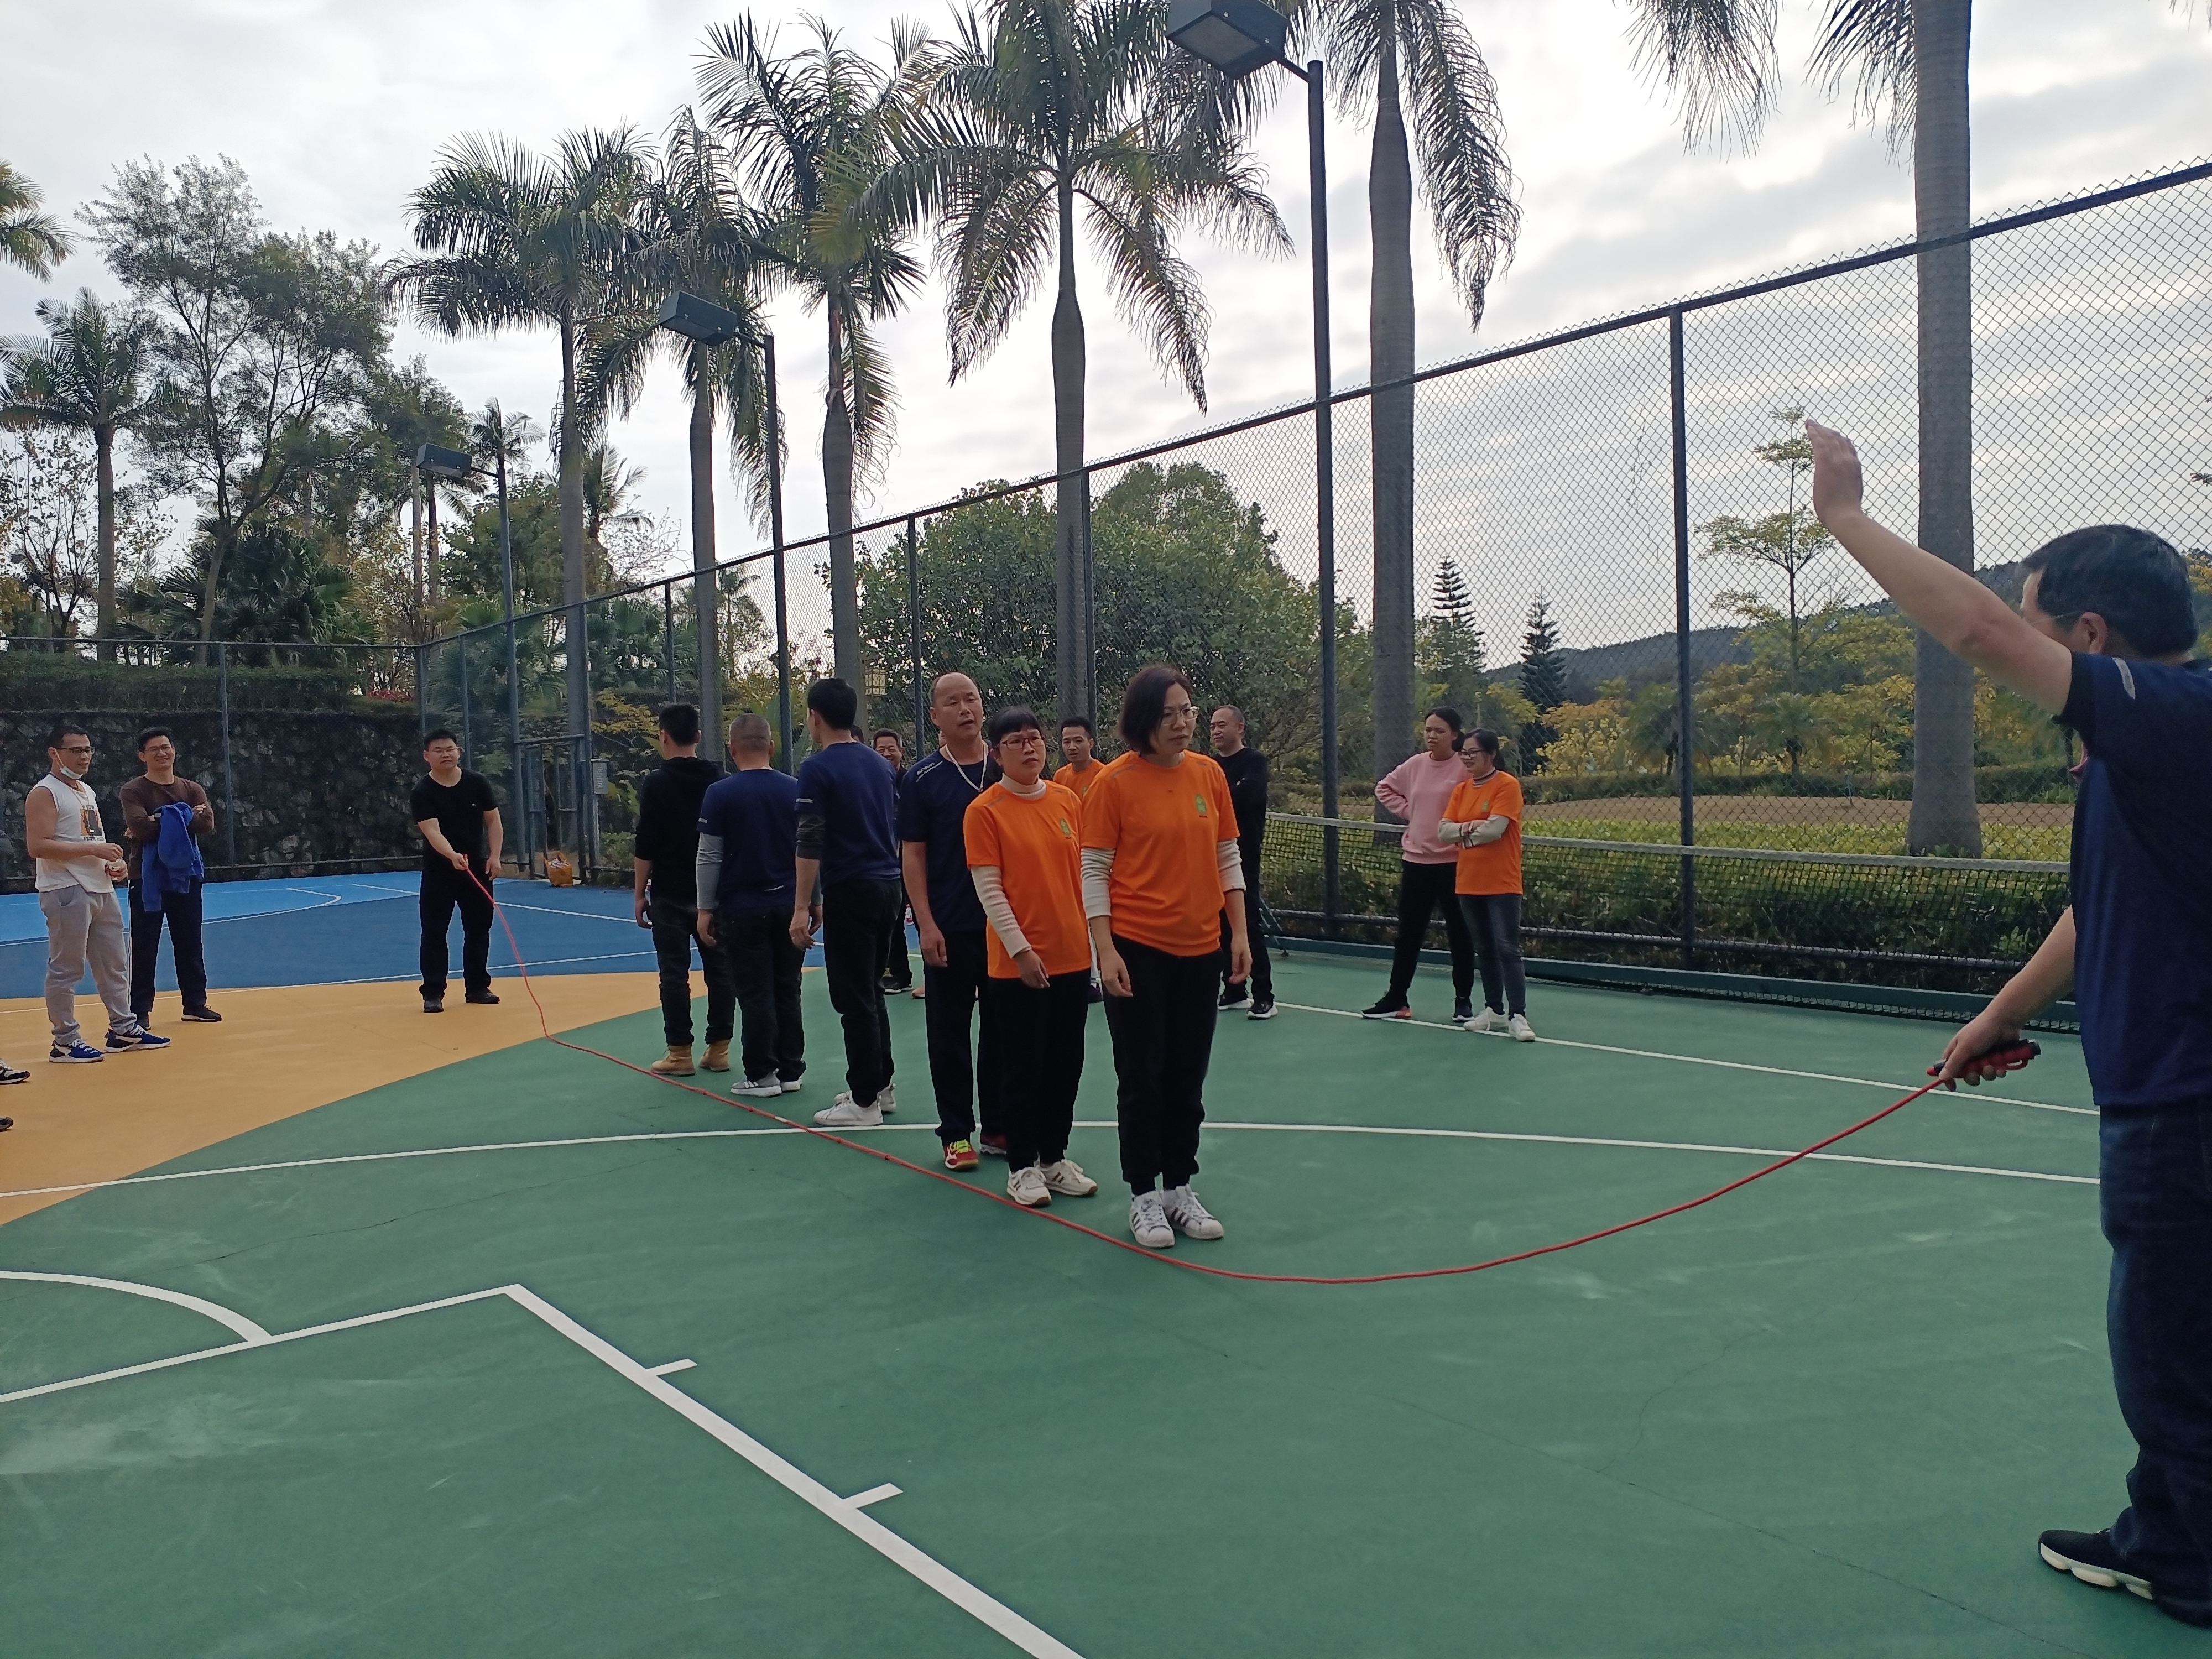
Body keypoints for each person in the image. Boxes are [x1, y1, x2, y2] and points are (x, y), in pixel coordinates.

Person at [1807, 421, 2212, 1631]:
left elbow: (1975, 630)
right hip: (2165, 1091)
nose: (2014, 643)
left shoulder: (2176, 717)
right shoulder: (2139, 757)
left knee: (2169, 1345)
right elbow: (2095, 911)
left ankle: (2191, 1559)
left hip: (2183, 1100)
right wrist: (1994, 1013)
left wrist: (1843, 519)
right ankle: (2166, 1529)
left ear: (2087, 636)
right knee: (2175, 1331)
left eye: (2037, 623)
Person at [1084, 664, 1249, 1249]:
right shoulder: (1114, 783)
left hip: (1200, 950)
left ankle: (1179, 1188)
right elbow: (1094, 870)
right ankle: (1143, 1196)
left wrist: (1238, 933)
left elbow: (1227, 857)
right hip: (1137, 950)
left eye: (1188, 712)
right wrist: (1105, 950)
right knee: (1142, 1078)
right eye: (1169, 715)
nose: (1182, 724)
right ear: (1143, 720)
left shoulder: (1208, 775)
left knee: (1187, 1077)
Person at [965, 705, 1098, 1206]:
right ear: (997, 754)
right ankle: (1022, 1166)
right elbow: (990, 890)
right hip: (1015, 967)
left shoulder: (1068, 800)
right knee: (1022, 1067)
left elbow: (1084, 877)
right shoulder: (985, 811)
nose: (1029, 747)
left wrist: (1095, 950)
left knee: (1066, 1064)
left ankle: (1053, 1158)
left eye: (1035, 738)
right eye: (1016, 741)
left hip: (1072, 958)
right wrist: (1021, 951)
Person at [899, 671, 1007, 1166]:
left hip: (1005, 927)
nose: (966, 709)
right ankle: (957, 1133)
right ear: (935, 716)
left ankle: (1000, 1127)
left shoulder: (1007, 767)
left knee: (1004, 1031)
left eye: (972, 699)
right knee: (949, 1034)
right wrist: (926, 924)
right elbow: (914, 855)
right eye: (953, 702)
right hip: (949, 926)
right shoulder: (921, 779)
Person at [792, 679, 901, 1128]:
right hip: (888, 886)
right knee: (871, 990)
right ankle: (880, 1086)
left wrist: (802, 906)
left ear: (814, 717)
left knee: (854, 997)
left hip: (852, 888)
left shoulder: (817, 768)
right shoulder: (880, 764)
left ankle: (864, 1102)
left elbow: (809, 837)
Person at [26, 724, 166, 1061]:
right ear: (54, 753)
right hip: (66, 889)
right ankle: (64, 1040)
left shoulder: (85, 791)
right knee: (67, 968)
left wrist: (111, 865)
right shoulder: (45, 792)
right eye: (75, 750)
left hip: (99, 887)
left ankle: (123, 1027)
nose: (84, 756)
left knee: (114, 964)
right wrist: (95, 852)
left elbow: (89, 839)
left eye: (87, 750)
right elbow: (38, 846)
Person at [697, 714, 806, 1102]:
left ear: (732, 749)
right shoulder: (795, 789)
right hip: (789, 903)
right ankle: (790, 1068)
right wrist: (813, 900)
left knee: (754, 990)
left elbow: (709, 856)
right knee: (788, 986)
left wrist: (705, 909)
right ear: (771, 746)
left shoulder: (720, 793)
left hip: (742, 906)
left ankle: (762, 1073)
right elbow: (810, 847)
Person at [632, 704, 734, 1076]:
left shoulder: (657, 782)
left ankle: (679, 1053)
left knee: (674, 974)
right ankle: (719, 1049)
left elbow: (646, 842)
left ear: (663, 736)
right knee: (720, 971)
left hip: (671, 891)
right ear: (699, 737)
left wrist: (640, 893)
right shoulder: (721, 779)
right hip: (715, 892)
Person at [1365, 707, 1478, 1024]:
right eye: (1428, 729)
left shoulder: (1464, 767)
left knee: (1460, 933)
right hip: (1416, 862)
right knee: (1408, 934)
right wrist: (1410, 812)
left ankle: (1463, 1001)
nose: (1432, 736)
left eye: (1439, 731)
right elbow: (1383, 788)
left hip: (1454, 863)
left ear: (1455, 735)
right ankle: (1396, 999)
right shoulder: (1414, 765)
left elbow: (1480, 797)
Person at [118, 726, 219, 1027]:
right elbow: (141, 828)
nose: (162, 753)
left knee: (190, 941)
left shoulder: (192, 787)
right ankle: (140, 1011)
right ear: (142, 756)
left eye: (166, 747)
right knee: (145, 944)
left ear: (174, 750)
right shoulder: (133, 790)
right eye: (154, 749)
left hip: (186, 875)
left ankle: (195, 1003)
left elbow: (207, 823)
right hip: (146, 877)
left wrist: (159, 816)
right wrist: (185, 814)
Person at [1439, 728, 1532, 1041]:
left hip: (1503, 882)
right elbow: (1443, 831)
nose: (1466, 757)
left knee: (1507, 947)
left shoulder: (1508, 785)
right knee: (1484, 949)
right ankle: (1494, 1010)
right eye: (1463, 752)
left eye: (1473, 752)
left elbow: (1496, 829)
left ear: (1491, 755)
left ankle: (1518, 1015)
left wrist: (1463, 836)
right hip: (1468, 883)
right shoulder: (1461, 790)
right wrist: (1472, 828)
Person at [410, 729, 503, 1014]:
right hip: (440, 870)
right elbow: (432, 831)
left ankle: (477, 987)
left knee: (479, 929)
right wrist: (451, 855)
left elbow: (493, 821)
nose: (446, 755)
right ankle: (433, 992)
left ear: (459, 752)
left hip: (476, 868)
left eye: (450, 749)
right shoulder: (423, 792)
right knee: (434, 931)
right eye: (438, 750)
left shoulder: (477, 783)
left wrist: (495, 857)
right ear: (427, 756)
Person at [1209, 705, 1275, 1021]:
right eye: (1213, 726)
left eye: (1222, 725)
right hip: (1211, 855)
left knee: (1246, 922)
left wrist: (1218, 797)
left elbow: (1247, 796)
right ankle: (1234, 990)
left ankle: (1264, 996)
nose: (1216, 731)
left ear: (1240, 728)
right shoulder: (1209, 766)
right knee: (1220, 924)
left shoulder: (1254, 761)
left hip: (1243, 855)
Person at [872, 728, 915, 993]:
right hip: (887, 862)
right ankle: (897, 974)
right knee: (893, 919)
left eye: (892, 749)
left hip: (914, 858)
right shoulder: (872, 782)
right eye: (881, 750)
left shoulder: (912, 781)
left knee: (923, 917)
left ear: (901, 751)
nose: (887, 754)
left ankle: (937, 976)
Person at [1054, 714, 1107, 804]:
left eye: (1078, 741)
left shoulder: (1103, 775)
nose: (1072, 747)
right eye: (1067, 742)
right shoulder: (1060, 776)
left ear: (1090, 744)